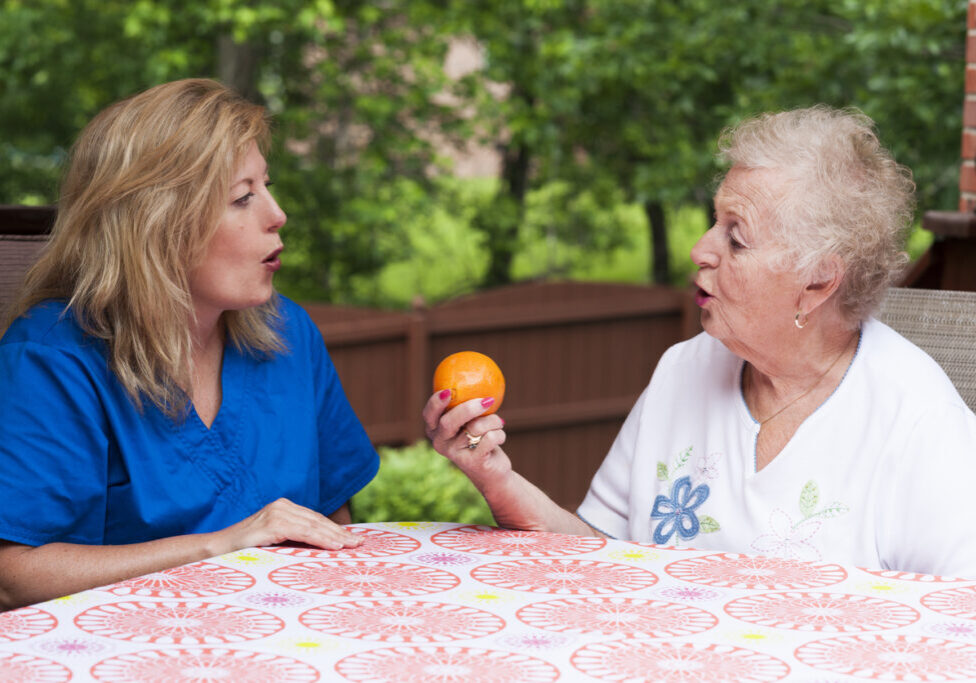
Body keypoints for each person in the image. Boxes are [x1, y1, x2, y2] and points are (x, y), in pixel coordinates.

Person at [425, 105, 976, 578]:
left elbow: (957, 622)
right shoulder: (683, 369)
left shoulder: (919, 424)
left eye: (735, 237)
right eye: (715, 221)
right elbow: (594, 553)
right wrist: (494, 476)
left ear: (818, 281)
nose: (700, 249)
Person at [0, 79, 379, 610]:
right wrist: (219, 546)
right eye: (242, 197)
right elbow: (12, 575)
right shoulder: (51, 359)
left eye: (265, 187)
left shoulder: (289, 332)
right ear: (157, 226)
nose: (277, 214)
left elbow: (333, 522)